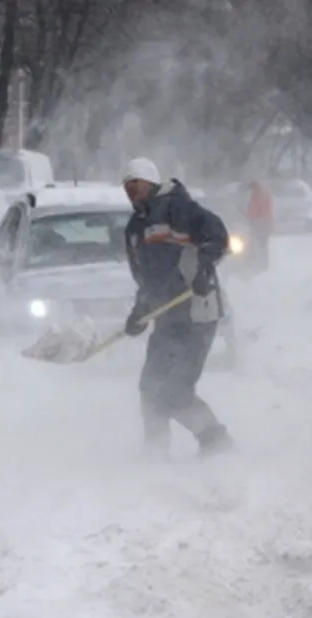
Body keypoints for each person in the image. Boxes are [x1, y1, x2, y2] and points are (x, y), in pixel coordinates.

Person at [121, 157, 234, 458]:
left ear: (152, 183)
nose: (132, 192)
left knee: (175, 391)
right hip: (167, 316)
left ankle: (216, 442)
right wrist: (139, 313)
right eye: (127, 187)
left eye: (137, 185)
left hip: (198, 312)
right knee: (150, 386)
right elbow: (145, 279)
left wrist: (204, 269)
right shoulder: (135, 229)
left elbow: (217, 235)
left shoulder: (177, 209)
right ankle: (156, 450)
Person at [244, 179, 273, 272]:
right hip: (258, 222)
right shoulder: (256, 195)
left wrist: (258, 220)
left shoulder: (260, 195)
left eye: (252, 188)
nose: (251, 191)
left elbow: (260, 209)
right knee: (257, 244)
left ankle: (263, 264)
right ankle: (257, 262)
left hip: (261, 223)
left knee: (261, 244)